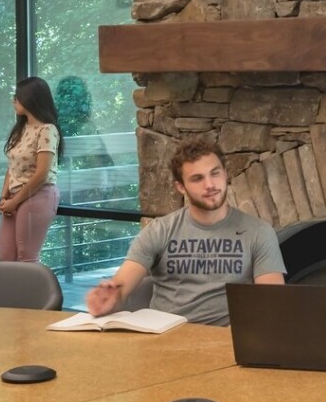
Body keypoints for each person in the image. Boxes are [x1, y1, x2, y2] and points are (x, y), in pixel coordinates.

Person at [86, 135, 285, 326]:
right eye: (197, 179)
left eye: (215, 173)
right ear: (181, 187)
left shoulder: (259, 232)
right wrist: (108, 298)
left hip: (225, 341)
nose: (210, 185)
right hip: (164, 339)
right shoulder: (159, 230)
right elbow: (121, 286)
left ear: (225, 173)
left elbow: (272, 303)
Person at [0, 76, 62, 265]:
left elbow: (42, 174)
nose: (13, 101)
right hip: (14, 197)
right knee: (5, 258)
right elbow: (12, 167)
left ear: (30, 99)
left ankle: (32, 295)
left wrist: (14, 201)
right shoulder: (22, 128)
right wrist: (4, 198)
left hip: (38, 195)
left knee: (27, 259)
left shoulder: (47, 130)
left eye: (17, 97)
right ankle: (9, 296)